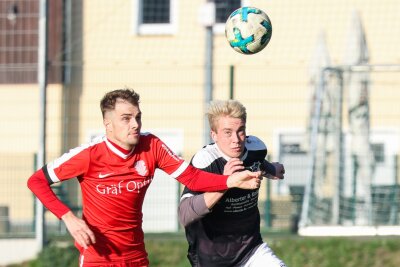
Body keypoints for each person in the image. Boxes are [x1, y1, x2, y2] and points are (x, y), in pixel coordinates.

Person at [27, 89, 263, 267]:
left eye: (138, 117)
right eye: (126, 118)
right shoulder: (89, 155)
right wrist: (69, 218)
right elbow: (36, 181)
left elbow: (191, 178)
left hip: (136, 256)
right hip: (98, 257)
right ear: (107, 124)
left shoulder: (152, 146)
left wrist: (230, 181)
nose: (135, 124)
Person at [178, 100, 287, 267]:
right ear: (214, 135)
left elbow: (258, 163)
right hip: (210, 258)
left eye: (240, 131)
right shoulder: (205, 162)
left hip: (251, 250)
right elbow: (185, 215)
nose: (236, 140)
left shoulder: (256, 148)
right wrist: (225, 182)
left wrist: (272, 170)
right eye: (227, 132)